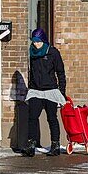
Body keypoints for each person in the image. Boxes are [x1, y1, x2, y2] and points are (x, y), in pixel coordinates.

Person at [21, 27, 67, 157]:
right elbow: (31, 72)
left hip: (51, 90)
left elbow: (61, 73)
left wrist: (62, 92)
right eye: (34, 41)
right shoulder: (32, 53)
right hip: (36, 90)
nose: (36, 44)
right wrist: (30, 86)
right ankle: (31, 145)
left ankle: (55, 144)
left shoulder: (53, 53)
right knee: (32, 117)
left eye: (38, 41)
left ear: (43, 41)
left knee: (52, 118)